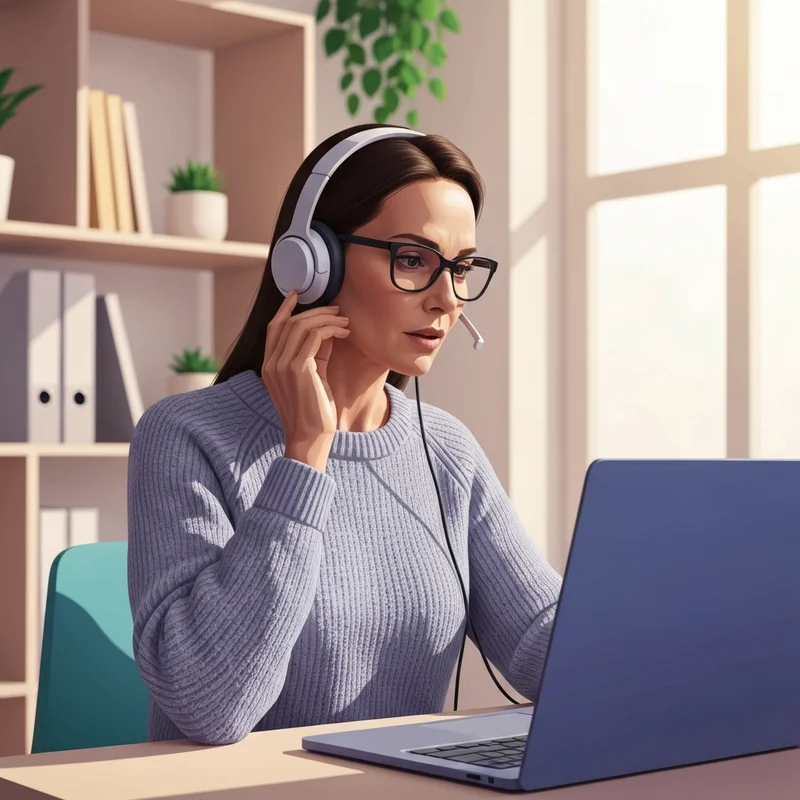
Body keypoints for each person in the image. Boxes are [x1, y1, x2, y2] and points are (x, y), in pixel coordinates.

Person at [127, 123, 563, 746]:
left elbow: (540, 640)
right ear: (312, 263)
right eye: (414, 260)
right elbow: (209, 707)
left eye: (461, 267)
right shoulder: (185, 436)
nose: (448, 299)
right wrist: (305, 456)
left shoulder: (445, 449)